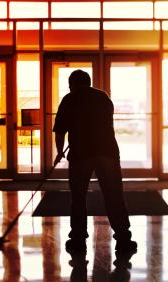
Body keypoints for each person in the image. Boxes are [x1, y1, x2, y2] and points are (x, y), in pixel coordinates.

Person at [53, 69, 137, 253]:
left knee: (78, 196)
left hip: (80, 154)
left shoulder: (69, 99)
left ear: (72, 83)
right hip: (107, 152)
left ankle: (77, 239)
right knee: (114, 195)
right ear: (88, 82)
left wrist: (59, 151)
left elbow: (60, 130)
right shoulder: (103, 97)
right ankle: (124, 238)